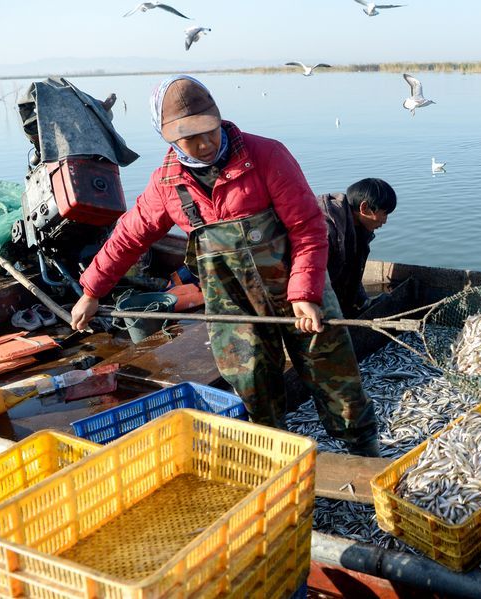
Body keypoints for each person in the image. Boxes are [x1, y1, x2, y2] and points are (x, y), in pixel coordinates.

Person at [70, 75, 380, 456]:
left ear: (219, 118)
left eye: (209, 130)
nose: (204, 144)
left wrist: (305, 294)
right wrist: (91, 292)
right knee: (253, 389)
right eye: (189, 138)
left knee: (336, 378)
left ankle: (365, 455)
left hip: (300, 293)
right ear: (167, 136)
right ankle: (280, 464)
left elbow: (307, 227)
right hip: (233, 308)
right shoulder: (167, 184)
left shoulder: (266, 155)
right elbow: (128, 238)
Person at [316, 178, 396, 318]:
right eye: (384, 213)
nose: (385, 221)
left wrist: (363, 301)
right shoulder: (326, 231)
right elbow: (314, 277)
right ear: (364, 208)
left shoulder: (360, 227)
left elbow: (354, 270)